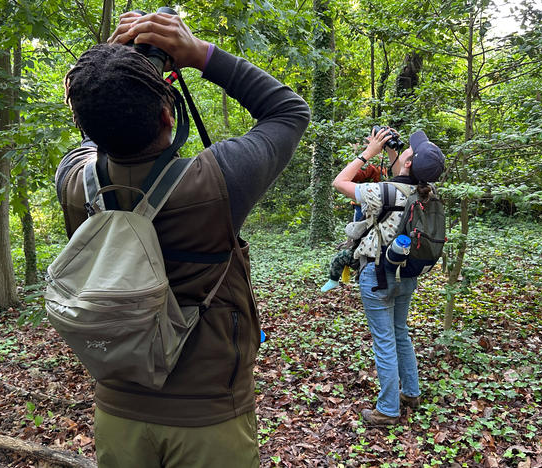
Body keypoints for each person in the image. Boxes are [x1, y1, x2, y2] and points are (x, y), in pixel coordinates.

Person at [55, 11, 310, 467]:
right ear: (169, 114)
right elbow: (289, 110)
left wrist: (107, 69)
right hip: (209, 417)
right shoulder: (218, 181)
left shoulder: (75, 183)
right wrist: (200, 55)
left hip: (117, 414)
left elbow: (91, 123)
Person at [331, 127, 445, 425]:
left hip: (378, 275)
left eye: (409, 150)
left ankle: (388, 410)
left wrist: (368, 153)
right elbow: (402, 178)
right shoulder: (427, 193)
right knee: (400, 334)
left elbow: (339, 182)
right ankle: (411, 392)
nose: (406, 148)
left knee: (384, 341)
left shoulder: (381, 192)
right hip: (407, 274)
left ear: (410, 163)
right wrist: (393, 152)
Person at [321, 164, 385, 292]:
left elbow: (344, 180)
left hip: (369, 249)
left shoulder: (372, 167)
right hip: (375, 244)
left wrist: (361, 158)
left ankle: (334, 280)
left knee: (342, 257)